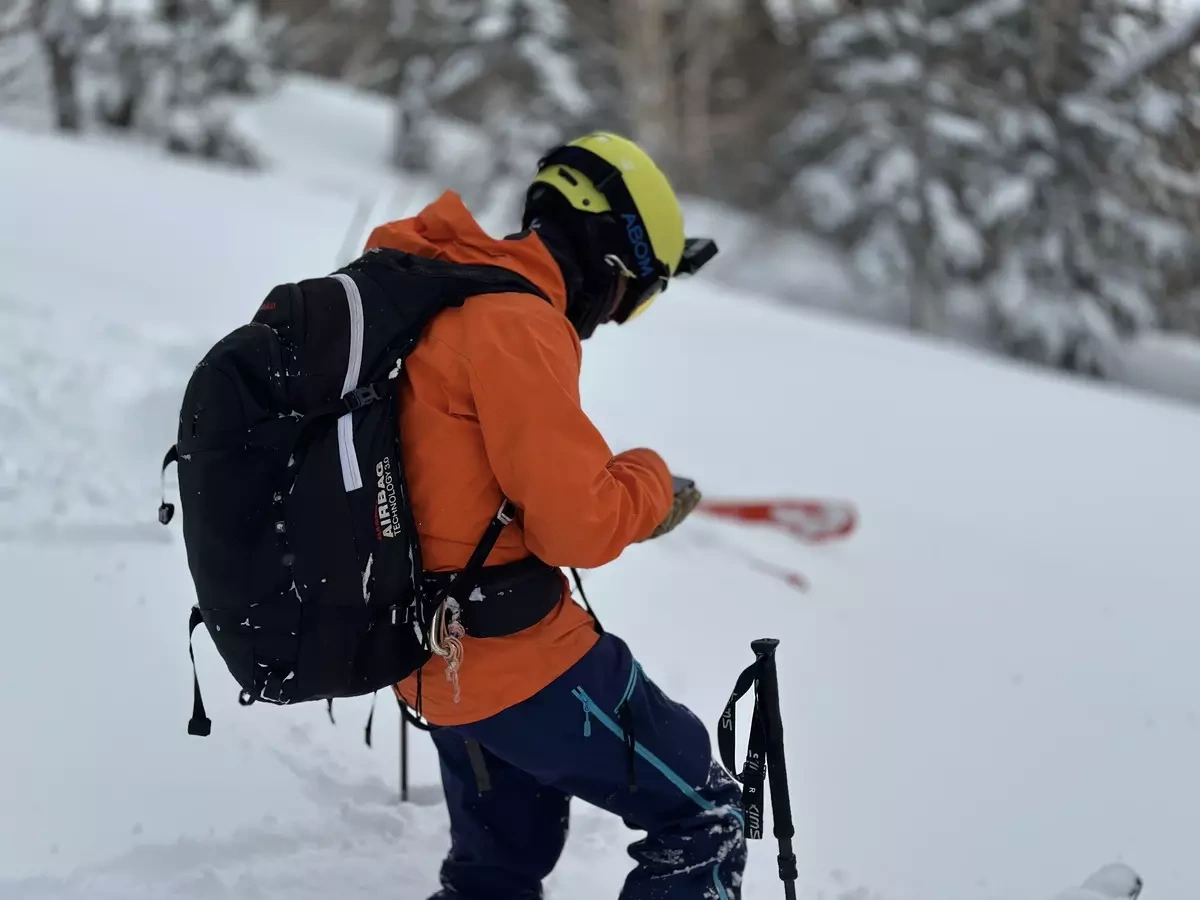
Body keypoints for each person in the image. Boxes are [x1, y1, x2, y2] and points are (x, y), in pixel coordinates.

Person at [366, 131, 746, 900]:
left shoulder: (434, 292)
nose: (613, 318)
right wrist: (647, 481)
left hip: (425, 656)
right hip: (515, 662)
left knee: (495, 876)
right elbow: (577, 525)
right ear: (614, 259)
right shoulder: (514, 321)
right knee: (706, 814)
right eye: (636, 295)